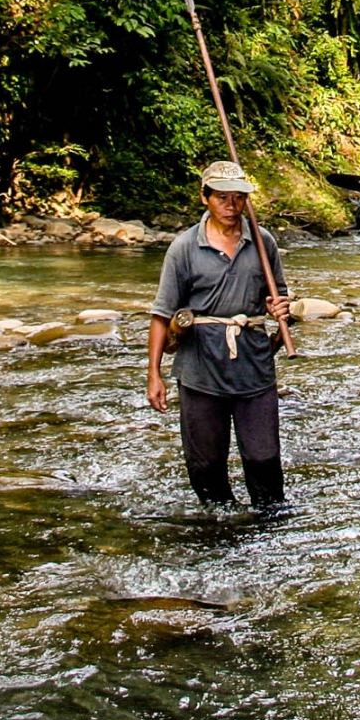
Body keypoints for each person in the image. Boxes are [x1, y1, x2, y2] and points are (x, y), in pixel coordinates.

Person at [147, 160, 293, 508]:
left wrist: (281, 310)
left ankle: (269, 527)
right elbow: (161, 313)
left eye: (239, 198)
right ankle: (219, 527)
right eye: (222, 197)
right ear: (205, 198)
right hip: (200, 368)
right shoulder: (184, 248)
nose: (231, 206)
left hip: (254, 366)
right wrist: (153, 373)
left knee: (263, 458)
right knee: (206, 464)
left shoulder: (263, 242)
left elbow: (279, 295)